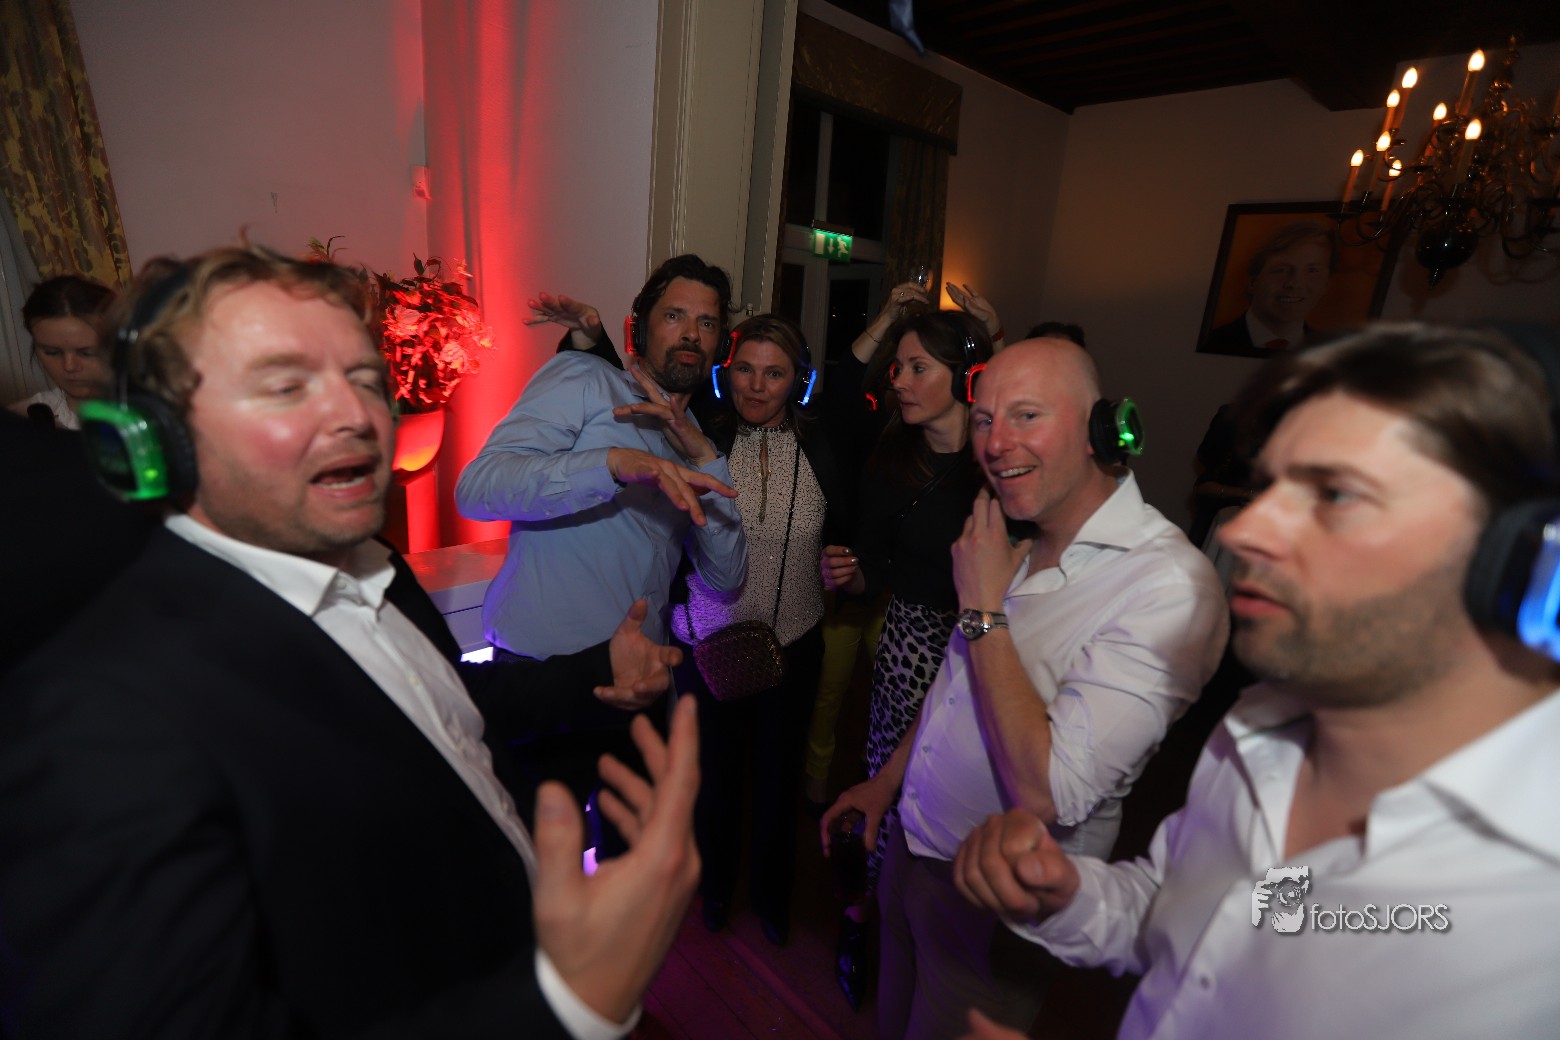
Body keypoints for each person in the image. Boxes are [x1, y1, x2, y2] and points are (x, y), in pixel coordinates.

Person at [0, 244, 706, 1038]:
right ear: (160, 437)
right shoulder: (103, 722)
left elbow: (441, 706)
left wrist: (593, 671)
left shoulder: (375, 566)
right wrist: (568, 1003)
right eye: (286, 385)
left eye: (366, 379)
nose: (359, 417)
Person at [952, 324, 1560, 1040]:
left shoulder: (1535, 919)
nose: (1242, 532)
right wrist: (1071, 897)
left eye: (1335, 493)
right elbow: (1208, 919)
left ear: (1524, 562)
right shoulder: (1259, 732)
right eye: (1268, 486)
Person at [822, 337, 1229, 1039]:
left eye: (1027, 415)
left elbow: (1049, 791)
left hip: (997, 905)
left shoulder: (1169, 587)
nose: (995, 442)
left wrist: (983, 609)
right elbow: (955, 684)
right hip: (912, 845)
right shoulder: (1011, 535)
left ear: (1100, 427)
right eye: (984, 419)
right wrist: (887, 783)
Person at [455, 254, 747, 827]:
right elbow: (478, 488)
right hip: (543, 673)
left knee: (634, 862)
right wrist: (611, 463)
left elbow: (727, 579)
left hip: (641, 684)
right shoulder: (585, 379)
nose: (691, 333)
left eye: (707, 322)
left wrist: (705, 457)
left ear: (719, 345)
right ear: (640, 328)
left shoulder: (699, 442)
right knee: (532, 860)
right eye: (675, 316)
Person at [817, 307, 995, 1007]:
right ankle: (862, 919)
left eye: (919, 367)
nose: (900, 380)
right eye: (898, 368)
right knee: (890, 793)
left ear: (965, 376)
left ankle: (940, 934)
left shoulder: (998, 464)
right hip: (911, 648)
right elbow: (875, 567)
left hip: (985, 652)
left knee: (961, 799)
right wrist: (849, 575)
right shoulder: (892, 458)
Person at [670, 314, 846, 946]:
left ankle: (773, 898)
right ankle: (715, 890)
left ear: (798, 380)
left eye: (774, 373)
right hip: (709, 645)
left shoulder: (823, 447)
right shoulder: (700, 436)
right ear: (726, 372)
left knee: (777, 781)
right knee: (714, 780)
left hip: (793, 643)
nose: (756, 385)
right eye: (744, 369)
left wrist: (849, 567)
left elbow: (847, 534)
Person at [1202, 222, 1336, 357]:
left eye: (1312, 270)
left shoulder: (1330, 354)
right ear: (1253, 282)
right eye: (1281, 270)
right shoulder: (1215, 341)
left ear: (1326, 284)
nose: (1294, 284)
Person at [7, 275, 115, 429]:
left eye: (87, 353)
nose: (69, 366)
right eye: (52, 352)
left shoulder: (148, 415)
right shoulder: (19, 420)